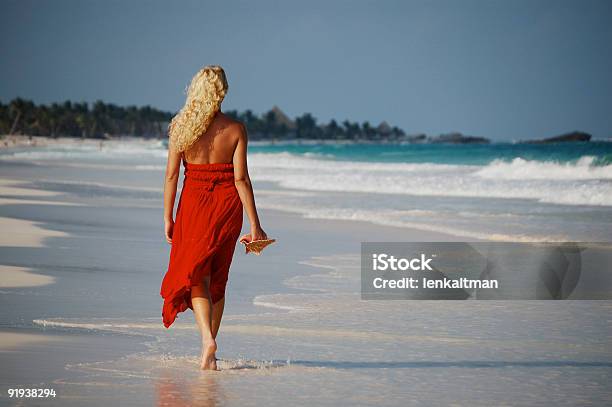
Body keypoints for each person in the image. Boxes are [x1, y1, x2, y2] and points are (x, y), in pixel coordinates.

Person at [160, 65, 267, 370]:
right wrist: (255, 225)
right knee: (218, 277)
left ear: (194, 90)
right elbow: (242, 180)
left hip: (194, 205)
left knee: (196, 275)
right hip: (227, 207)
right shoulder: (235, 129)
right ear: (223, 92)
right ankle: (210, 348)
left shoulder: (181, 127)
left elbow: (170, 177)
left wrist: (167, 217)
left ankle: (208, 340)